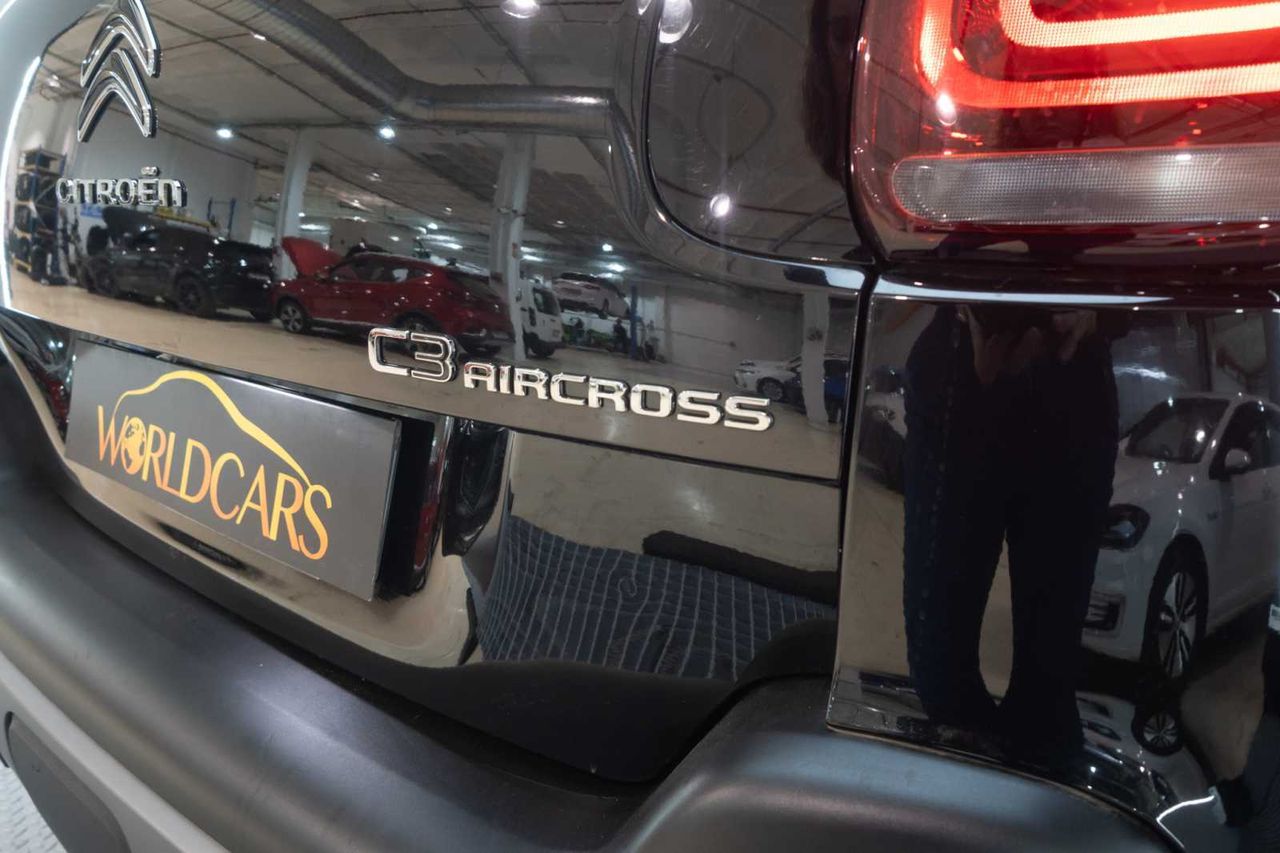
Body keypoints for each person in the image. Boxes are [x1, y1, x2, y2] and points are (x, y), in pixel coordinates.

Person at [901, 304, 1120, 764]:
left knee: (1045, 682)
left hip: (1070, 364)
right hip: (967, 356)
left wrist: (1101, 312)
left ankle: (1016, 775)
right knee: (939, 666)